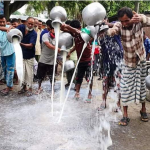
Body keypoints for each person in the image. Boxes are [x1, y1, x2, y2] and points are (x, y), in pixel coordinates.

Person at [107, 7, 150, 125]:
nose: (124, 23)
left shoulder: (138, 22)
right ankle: (125, 115)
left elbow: (148, 21)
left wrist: (142, 18)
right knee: (125, 88)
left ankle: (143, 109)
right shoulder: (120, 26)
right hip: (128, 62)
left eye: (127, 21)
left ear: (132, 18)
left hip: (141, 59)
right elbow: (113, 29)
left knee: (141, 86)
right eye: (122, 21)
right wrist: (108, 31)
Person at [61, 20, 93, 102]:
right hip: (80, 60)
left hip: (88, 59)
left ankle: (89, 94)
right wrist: (71, 51)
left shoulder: (83, 32)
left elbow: (77, 31)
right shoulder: (74, 34)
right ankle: (77, 93)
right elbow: (65, 30)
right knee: (79, 77)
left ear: (79, 27)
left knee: (89, 78)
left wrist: (68, 27)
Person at [97, 18, 123, 111]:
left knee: (118, 82)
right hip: (106, 60)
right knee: (105, 82)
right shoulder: (97, 28)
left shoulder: (113, 24)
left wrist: (106, 24)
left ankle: (118, 104)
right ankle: (103, 102)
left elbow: (119, 25)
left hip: (118, 59)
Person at [35, 20, 60, 94]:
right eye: (53, 29)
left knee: (52, 77)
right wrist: (57, 49)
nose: (54, 31)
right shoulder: (45, 35)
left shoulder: (58, 37)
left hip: (52, 61)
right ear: (50, 29)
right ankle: (39, 88)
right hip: (43, 60)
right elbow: (48, 45)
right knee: (40, 76)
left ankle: (52, 90)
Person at [17, 17, 37, 97]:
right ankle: (23, 88)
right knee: (21, 73)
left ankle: (29, 89)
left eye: (32, 24)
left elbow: (30, 45)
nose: (30, 25)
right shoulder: (21, 27)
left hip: (29, 56)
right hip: (21, 55)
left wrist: (20, 43)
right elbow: (14, 31)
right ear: (26, 22)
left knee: (29, 74)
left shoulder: (34, 33)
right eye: (29, 23)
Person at [0, 15, 15, 96]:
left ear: (6, 22)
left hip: (10, 52)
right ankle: (10, 85)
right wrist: (5, 28)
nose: (2, 23)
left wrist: (9, 27)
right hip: (2, 53)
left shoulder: (10, 27)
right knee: (5, 70)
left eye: (3, 22)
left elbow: (13, 28)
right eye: (0, 22)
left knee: (10, 70)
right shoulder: (4, 28)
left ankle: (9, 87)